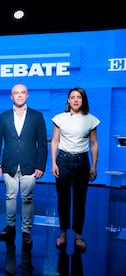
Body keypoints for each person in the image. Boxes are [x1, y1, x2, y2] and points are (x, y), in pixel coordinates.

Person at [0, 83, 48, 250]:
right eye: (16, 93)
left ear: (27, 95)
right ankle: (10, 227)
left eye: (23, 92)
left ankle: (26, 231)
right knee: (9, 197)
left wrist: (41, 165)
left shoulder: (37, 116)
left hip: (30, 165)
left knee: (28, 198)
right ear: (11, 96)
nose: (19, 95)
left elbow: (43, 144)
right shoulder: (3, 117)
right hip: (8, 164)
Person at [51, 87, 99, 253]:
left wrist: (94, 166)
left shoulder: (91, 120)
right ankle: (63, 233)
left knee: (80, 201)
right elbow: (55, 141)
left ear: (83, 100)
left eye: (79, 97)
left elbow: (94, 143)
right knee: (63, 199)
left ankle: (78, 236)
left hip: (82, 162)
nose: (76, 100)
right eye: (72, 97)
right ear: (68, 100)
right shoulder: (59, 118)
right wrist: (53, 163)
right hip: (63, 161)